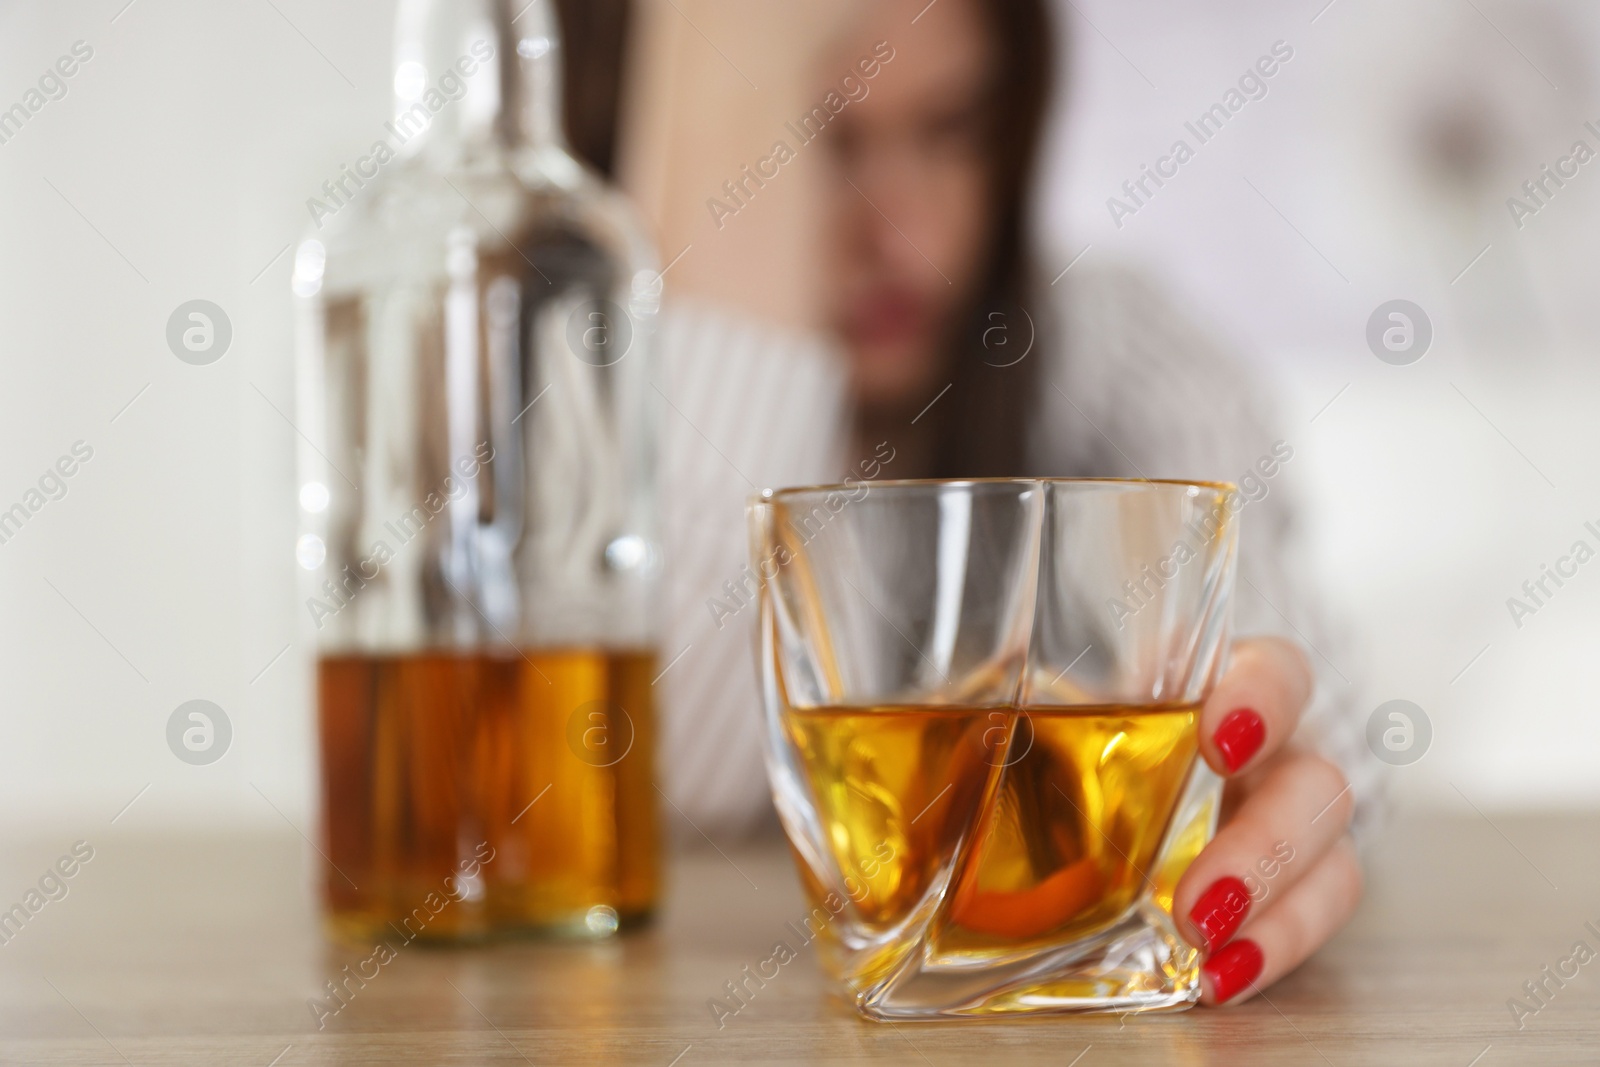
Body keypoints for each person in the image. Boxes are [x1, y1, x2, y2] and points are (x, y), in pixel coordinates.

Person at [789, 0, 1371, 1007]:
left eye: (949, 130)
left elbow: (1287, 657)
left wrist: (1274, 754)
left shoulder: (1108, 346)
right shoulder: (573, 391)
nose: (894, 229)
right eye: (819, 143)